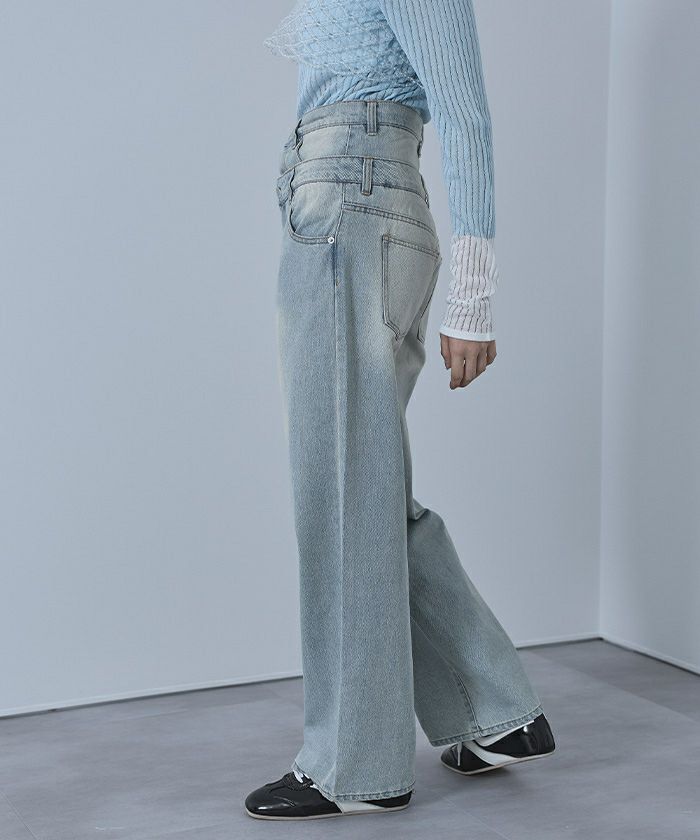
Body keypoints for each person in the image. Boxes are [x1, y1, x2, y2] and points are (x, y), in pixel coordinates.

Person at [245, 0, 556, 820]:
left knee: (342, 491)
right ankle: (497, 710)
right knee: (367, 485)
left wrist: (474, 298)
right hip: (344, 201)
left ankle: (356, 768)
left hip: (353, 206)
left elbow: (465, 109)